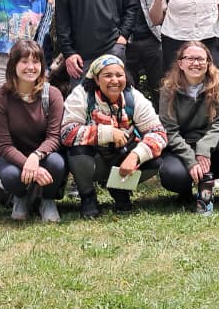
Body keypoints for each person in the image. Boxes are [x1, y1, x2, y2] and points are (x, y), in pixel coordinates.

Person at [60, 53, 169, 217]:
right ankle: (87, 195)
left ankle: (119, 189)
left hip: (122, 158)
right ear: (96, 79)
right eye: (107, 75)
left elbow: (159, 133)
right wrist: (108, 133)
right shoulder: (80, 95)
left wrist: (136, 156)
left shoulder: (134, 97)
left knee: (155, 161)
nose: (115, 80)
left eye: (119, 75)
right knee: (77, 153)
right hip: (93, 159)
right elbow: (67, 133)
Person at [158, 41, 219, 211]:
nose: (196, 63)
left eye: (201, 59)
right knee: (172, 174)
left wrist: (204, 147)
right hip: (182, 147)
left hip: (214, 145)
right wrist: (190, 159)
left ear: (208, 63)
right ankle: (185, 193)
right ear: (180, 63)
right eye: (190, 58)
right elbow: (169, 130)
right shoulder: (168, 89)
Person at [0, 41, 65, 223]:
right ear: (13, 65)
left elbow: (54, 137)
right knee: (10, 175)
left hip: (45, 155)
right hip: (13, 158)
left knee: (57, 163)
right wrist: (29, 164)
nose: (30, 67)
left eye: (36, 62)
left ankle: (47, 200)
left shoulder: (53, 94)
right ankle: (20, 197)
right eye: (24, 62)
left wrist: (36, 157)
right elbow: (4, 146)